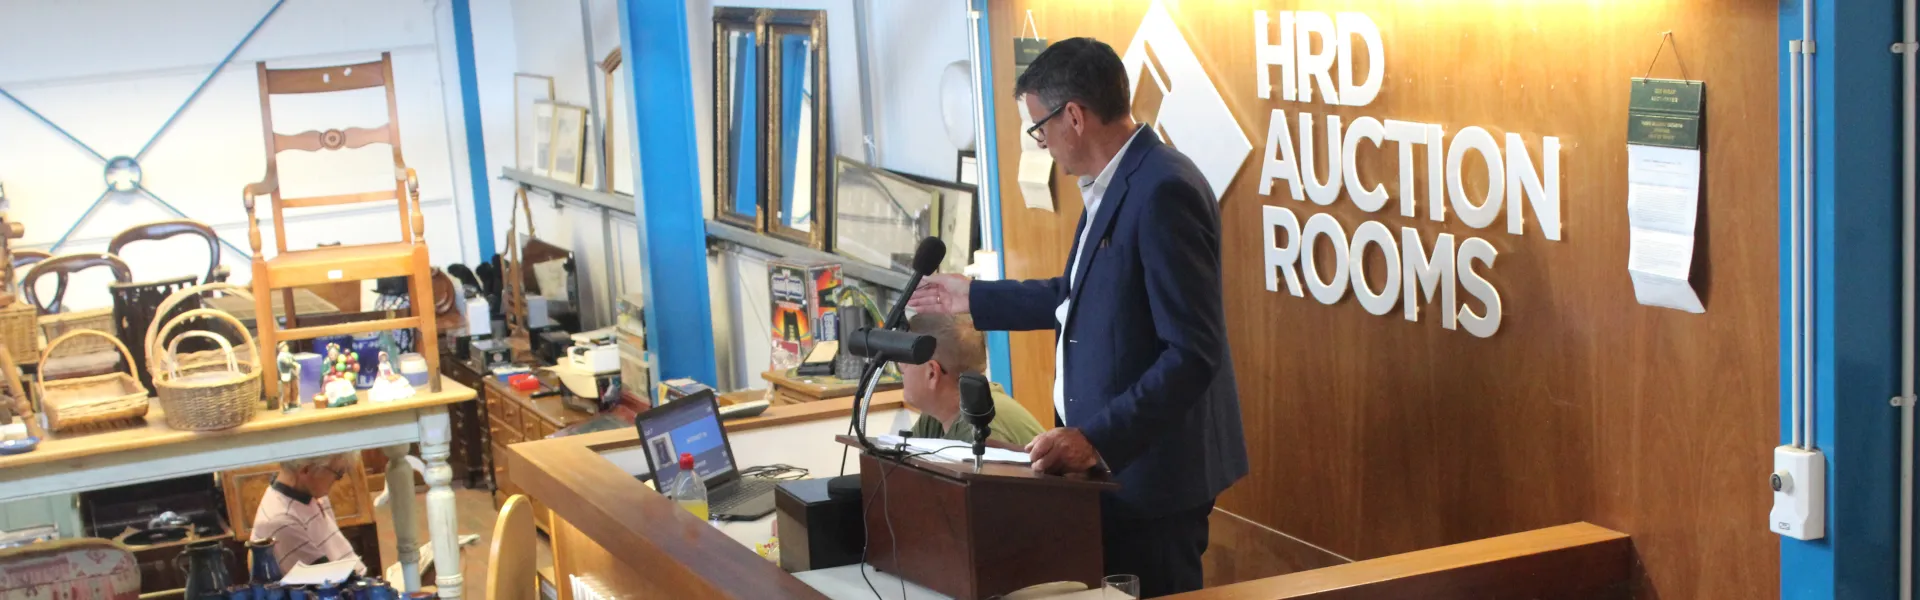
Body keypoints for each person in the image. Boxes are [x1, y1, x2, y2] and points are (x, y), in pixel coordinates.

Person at [906, 37, 1248, 597]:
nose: (1041, 144)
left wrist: (1096, 439)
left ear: (1074, 117)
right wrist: (973, 299)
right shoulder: (1112, 186)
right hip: (1112, 475)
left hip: (1152, 478)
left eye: (1038, 129)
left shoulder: (1163, 191)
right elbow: (1075, 293)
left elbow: (1193, 353)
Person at [900, 313, 1044, 447]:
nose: (900, 366)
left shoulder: (983, 425)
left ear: (932, 373)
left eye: (904, 361)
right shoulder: (936, 417)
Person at [251, 453, 367, 575]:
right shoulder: (283, 522)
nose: (337, 480)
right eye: (338, 474)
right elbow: (329, 582)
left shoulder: (310, 495)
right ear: (306, 470)